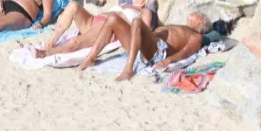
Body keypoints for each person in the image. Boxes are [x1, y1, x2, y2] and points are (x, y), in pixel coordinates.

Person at [35, 0, 158, 60]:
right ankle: (50, 43)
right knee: (73, 5)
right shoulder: (125, 3)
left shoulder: (145, 12)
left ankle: (46, 53)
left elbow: (145, 33)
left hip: (107, 30)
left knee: (75, 42)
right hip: (93, 20)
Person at [77, 11, 212, 82]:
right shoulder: (181, 27)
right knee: (112, 19)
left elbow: (186, 53)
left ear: (202, 21)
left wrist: (167, 61)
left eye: (197, 13)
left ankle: (128, 68)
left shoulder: (196, 36)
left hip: (156, 51)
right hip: (141, 45)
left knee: (137, 21)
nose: (193, 12)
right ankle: (90, 58)